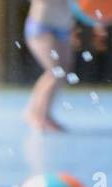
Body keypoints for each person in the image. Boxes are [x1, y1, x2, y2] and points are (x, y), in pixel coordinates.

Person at [23, 0, 74, 132]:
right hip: (42, 27)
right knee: (56, 72)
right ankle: (36, 114)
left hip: (63, 28)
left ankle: (42, 113)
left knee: (62, 72)